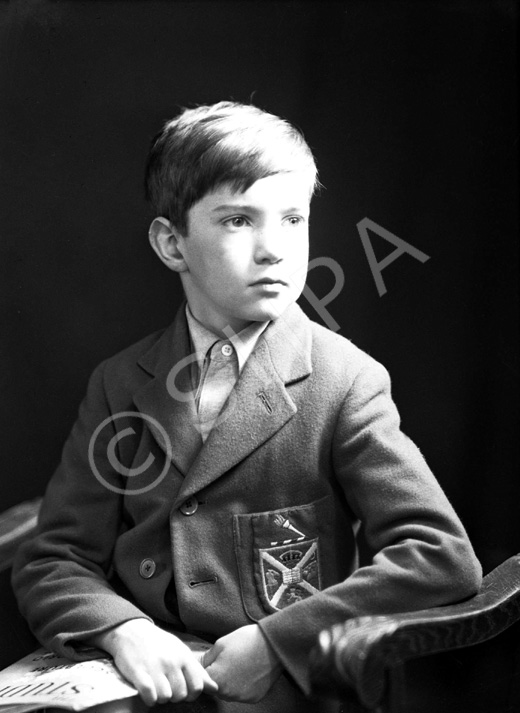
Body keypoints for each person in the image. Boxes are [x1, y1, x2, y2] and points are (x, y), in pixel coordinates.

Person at [12, 101, 482, 712]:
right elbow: (54, 558)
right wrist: (121, 631)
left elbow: (440, 556)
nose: (273, 250)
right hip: (140, 675)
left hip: (275, 681)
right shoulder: (121, 382)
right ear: (171, 243)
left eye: (292, 219)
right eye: (238, 220)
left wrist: (276, 640)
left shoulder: (344, 379)